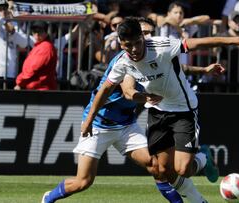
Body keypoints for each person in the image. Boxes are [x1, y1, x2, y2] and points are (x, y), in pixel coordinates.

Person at [41, 18, 227, 203]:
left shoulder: (153, 52)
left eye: (147, 35)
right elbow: (128, 90)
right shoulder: (125, 63)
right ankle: (49, 198)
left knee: (158, 167)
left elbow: (177, 65)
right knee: (83, 181)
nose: (145, 40)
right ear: (125, 43)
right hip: (100, 125)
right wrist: (141, 98)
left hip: (126, 126)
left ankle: (194, 193)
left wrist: (204, 69)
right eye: (143, 34)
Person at [80, 17, 239, 202]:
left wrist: (238, 40)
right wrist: (89, 119)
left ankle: (203, 157)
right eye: (127, 45)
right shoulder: (122, 62)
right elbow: (107, 90)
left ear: (143, 37)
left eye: (137, 43)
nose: (133, 49)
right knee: (164, 169)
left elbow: (199, 43)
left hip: (183, 109)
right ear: (120, 43)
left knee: (183, 170)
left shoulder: (161, 46)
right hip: (157, 111)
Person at [0, 0, 28, 89]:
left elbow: (24, 43)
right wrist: (4, 22)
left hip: (11, 72)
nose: (3, 11)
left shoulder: (14, 23)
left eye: (5, 9)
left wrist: (13, 32)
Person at [14, 21, 57, 90]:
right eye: (34, 31)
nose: (36, 34)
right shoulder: (41, 46)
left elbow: (32, 69)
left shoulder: (45, 47)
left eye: (40, 31)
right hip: (36, 89)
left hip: (40, 91)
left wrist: (20, 82)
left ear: (46, 32)